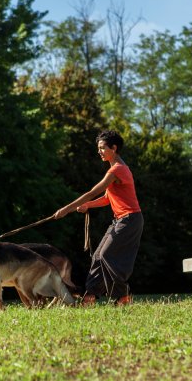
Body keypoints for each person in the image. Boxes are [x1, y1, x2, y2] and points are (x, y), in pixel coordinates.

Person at [54, 130, 143, 306]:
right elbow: (107, 198)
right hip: (121, 220)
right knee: (97, 256)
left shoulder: (118, 170)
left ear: (114, 148)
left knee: (106, 255)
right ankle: (90, 296)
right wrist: (88, 206)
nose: (99, 151)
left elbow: (93, 192)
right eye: (99, 148)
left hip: (130, 220)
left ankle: (123, 295)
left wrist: (67, 209)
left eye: (102, 148)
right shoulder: (114, 169)